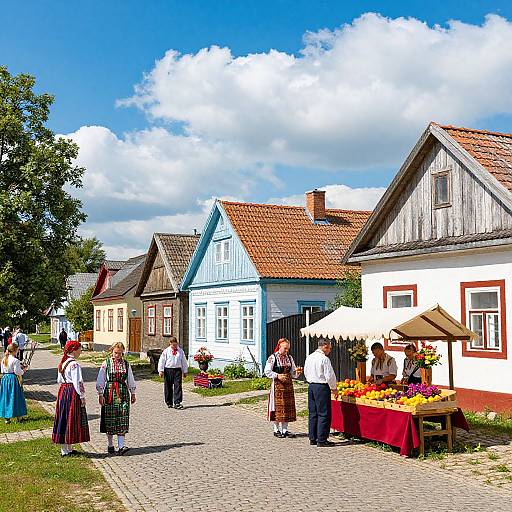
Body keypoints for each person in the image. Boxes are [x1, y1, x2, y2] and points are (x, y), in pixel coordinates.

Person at [96, 342, 136, 455]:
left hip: (123, 392)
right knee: (110, 419)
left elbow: (130, 378)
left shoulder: (126, 364)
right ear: (112, 351)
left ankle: (121, 446)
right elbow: (101, 379)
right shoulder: (106, 363)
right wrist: (100, 394)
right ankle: (110, 445)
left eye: (120, 353)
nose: (117, 355)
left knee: (122, 417)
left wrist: (133, 392)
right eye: (115, 352)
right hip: (109, 393)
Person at [52, 340, 90, 457]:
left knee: (64, 417)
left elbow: (59, 380)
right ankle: (66, 449)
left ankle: (67, 448)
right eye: (79, 349)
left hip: (63, 391)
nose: (81, 351)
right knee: (71, 417)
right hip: (72, 392)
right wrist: (82, 396)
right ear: (74, 350)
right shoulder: (74, 364)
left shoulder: (63, 362)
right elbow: (78, 382)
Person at [264, 338, 302, 438]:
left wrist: (297, 373)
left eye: (288, 349)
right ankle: (276, 429)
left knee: (287, 407)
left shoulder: (289, 357)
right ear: (280, 347)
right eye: (285, 348)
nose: (286, 351)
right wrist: (277, 375)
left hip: (288, 386)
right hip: (277, 386)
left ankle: (285, 430)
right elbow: (267, 371)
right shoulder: (273, 358)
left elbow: (293, 372)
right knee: (278, 407)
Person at [304, 339, 338, 447]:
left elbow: (305, 371)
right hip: (321, 386)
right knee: (323, 413)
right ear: (324, 346)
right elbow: (329, 375)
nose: (330, 350)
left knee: (313, 413)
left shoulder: (309, 357)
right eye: (330, 348)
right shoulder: (324, 359)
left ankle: (313, 437)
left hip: (311, 385)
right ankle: (322, 439)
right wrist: (334, 388)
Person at [158, 336, 188, 409]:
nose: (174, 346)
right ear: (170, 344)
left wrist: (185, 371)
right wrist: (161, 370)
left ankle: (177, 402)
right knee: (168, 386)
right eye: (173, 345)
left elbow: (183, 361)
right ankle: (169, 402)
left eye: (175, 344)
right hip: (168, 370)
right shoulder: (166, 351)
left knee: (178, 386)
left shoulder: (180, 351)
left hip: (177, 370)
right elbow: (162, 361)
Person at [0, 344, 27, 423]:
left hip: (5, 379)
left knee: (6, 397)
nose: (18, 350)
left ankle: (7, 418)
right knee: (16, 396)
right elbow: (17, 372)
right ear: (15, 350)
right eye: (17, 349)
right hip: (12, 379)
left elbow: (2, 371)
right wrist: (23, 370)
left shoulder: (4, 359)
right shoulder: (15, 360)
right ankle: (19, 417)